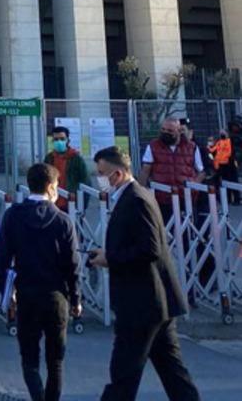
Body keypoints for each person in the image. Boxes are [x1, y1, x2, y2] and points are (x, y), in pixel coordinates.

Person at [90, 146, 200, 401]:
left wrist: (111, 258)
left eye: (102, 173)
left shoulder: (136, 199)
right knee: (174, 375)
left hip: (142, 303)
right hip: (155, 304)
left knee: (123, 375)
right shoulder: (131, 196)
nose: (100, 178)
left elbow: (150, 249)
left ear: (117, 174)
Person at [0, 163, 81, 401]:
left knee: (29, 359)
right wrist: (76, 298)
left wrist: (6, 293)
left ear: (28, 185)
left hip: (27, 294)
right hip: (57, 296)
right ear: (52, 187)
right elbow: (73, 264)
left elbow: (3, 259)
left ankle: (37, 396)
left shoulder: (13, 216)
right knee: (56, 361)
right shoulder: (63, 220)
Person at [138, 117, 204, 221]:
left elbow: (201, 171)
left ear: (179, 131)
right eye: (163, 129)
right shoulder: (153, 146)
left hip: (185, 198)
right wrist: (140, 192)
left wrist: (194, 187)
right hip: (161, 198)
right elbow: (145, 170)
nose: (165, 133)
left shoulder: (192, 147)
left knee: (186, 233)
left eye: (170, 131)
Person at [44, 126, 89, 212]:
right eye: (56, 139)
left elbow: (85, 181)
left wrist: (82, 205)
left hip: (71, 203)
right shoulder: (49, 158)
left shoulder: (76, 158)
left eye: (62, 139)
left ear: (67, 140)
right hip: (53, 203)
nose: (59, 142)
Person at [210, 130, 237, 203]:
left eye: (223, 132)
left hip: (230, 165)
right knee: (225, 182)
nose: (221, 134)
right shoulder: (219, 142)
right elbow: (213, 151)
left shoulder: (230, 141)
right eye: (220, 133)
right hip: (221, 165)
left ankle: (236, 199)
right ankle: (228, 199)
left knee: (233, 181)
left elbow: (230, 153)